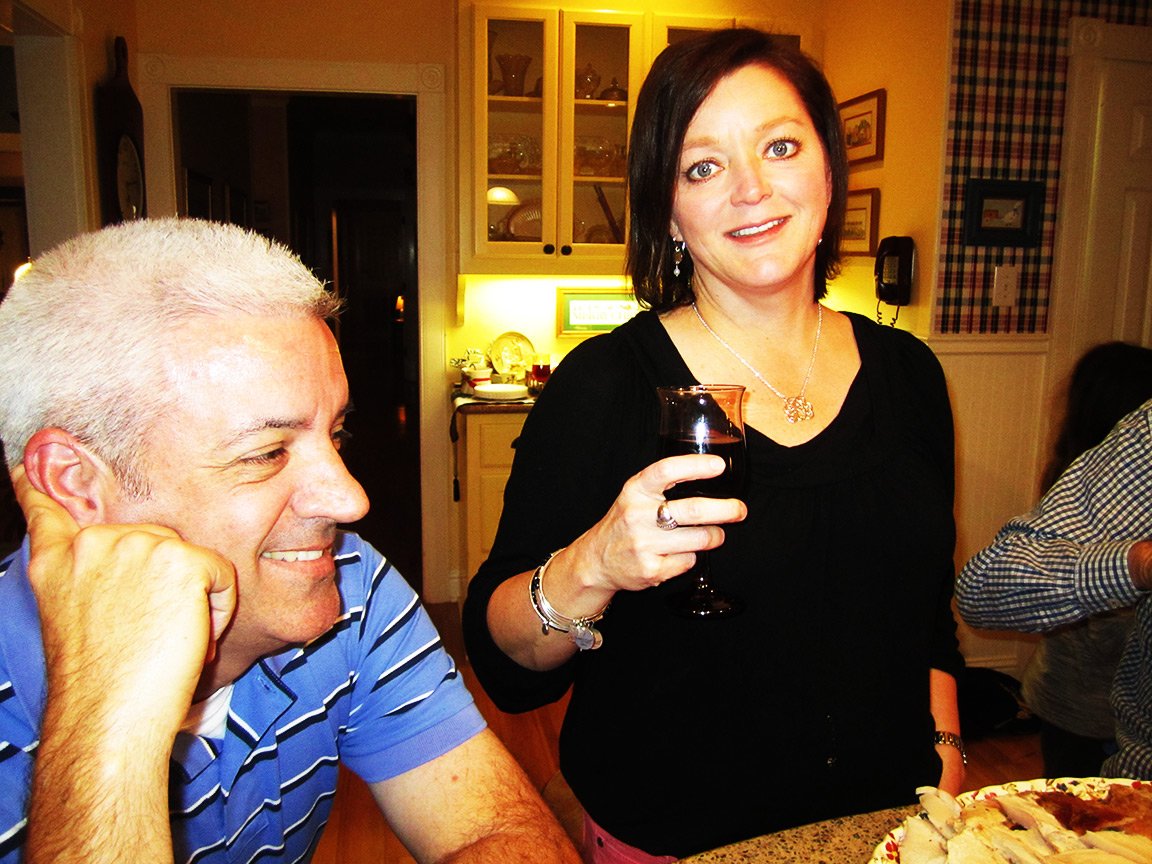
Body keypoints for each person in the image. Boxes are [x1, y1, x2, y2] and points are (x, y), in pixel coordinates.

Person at [463, 28, 964, 862]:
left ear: (828, 172)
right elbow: (503, 661)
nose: (751, 189)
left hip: (891, 831)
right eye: (703, 167)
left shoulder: (909, 373)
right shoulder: (605, 383)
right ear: (666, 209)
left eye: (780, 147)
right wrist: (594, 564)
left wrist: (945, 755)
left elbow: (925, 616)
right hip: (675, 840)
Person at [0, 219, 579, 864]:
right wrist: (103, 719)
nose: (351, 500)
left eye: (336, 434)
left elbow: (497, 834)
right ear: (75, 483)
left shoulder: (349, 583)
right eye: (266, 453)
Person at [957, 397, 1152, 780]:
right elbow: (985, 586)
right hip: (1078, 704)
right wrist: (1135, 566)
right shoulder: (1136, 445)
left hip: (1086, 703)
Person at [1018, 342, 1152, 778]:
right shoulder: (1103, 504)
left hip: (1062, 692)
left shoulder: (1069, 476)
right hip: (1087, 707)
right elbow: (1108, 631)